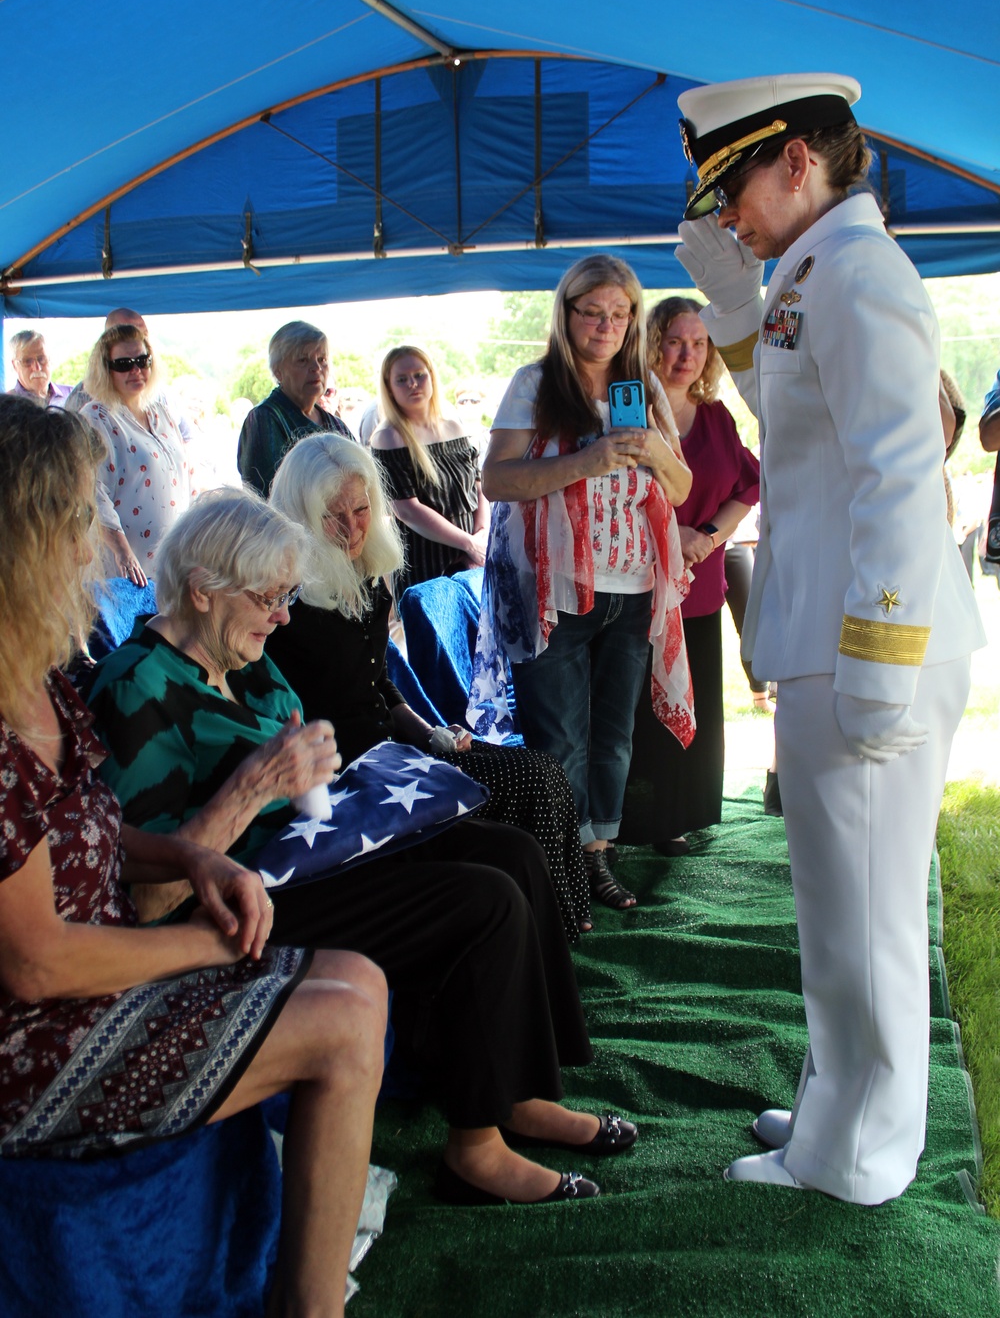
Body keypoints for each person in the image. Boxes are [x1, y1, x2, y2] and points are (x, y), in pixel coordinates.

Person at [86, 487, 635, 1206]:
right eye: (270, 599)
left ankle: (524, 1091)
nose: (283, 616)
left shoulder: (244, 658)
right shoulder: (138, 688)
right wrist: (253, 789)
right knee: (483, 899)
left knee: (511, 854)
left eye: (287, 596)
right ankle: (476, 1148)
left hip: (313, 855)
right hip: (244, 906)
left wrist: (312, 765)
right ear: (202, 589)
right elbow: (148, 893)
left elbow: (297, 755)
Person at [0, 394, 387, 1318]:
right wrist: (210, 942)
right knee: (339, 1025)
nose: (102, 538)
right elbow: (34, 958)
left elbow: (84, 828)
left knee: (362, 983)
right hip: (29, 1043)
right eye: (83, 515)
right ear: (29, 535)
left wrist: (189, 857)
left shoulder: (44, 673)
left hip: (95, 978)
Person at [675, 72, 984, 1203]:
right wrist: (733, 297)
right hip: (833, 632)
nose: (727, 219)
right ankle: (838, 1097)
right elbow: (793, 412)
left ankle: (856, 1153)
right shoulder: (819, 270)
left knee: (866, 916)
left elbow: (902, 479)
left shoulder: (859, 276)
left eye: (734, 189)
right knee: (841, 907)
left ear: (794, 162)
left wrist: (878, 661)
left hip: (867, 641)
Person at [267, 432, 592, 936]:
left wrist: (433, 734)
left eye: (361, 509)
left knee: (543, 769)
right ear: (301, 514)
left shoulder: (368, 574)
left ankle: (566, 922)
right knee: (528, 784)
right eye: (334, 515)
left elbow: (379, 685)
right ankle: (547, 932)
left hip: (392, 748)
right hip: (348, 772)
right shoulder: (284, 601)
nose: (352, 528)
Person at [476, 254, 694, 914]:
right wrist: (585, 460)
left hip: (632, 588)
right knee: (559, 737)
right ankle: (560, 868)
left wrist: (651, 448)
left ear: (633, 320)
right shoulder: (535, 383)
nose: (606, 325)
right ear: (566, 314)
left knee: (613, 735)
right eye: (592, 312)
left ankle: (596, 856)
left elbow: (680, 488)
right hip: (555, 590)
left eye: (620, 313)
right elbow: (497, 479)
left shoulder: (645, 388)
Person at [619, 297, 759, 855]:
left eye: (700, 343)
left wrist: (707, 536)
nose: (688, 355)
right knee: (641, 712)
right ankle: (633, 822)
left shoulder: (718, 417)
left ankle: (683, 816)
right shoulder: (630, 414)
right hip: (638, 590)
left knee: (694, 709)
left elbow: (748, 485)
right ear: (653, 343)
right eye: (676, 341)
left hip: (697, 591)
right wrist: (678, 537)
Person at [370, 345, 489, 600]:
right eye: (402, 379)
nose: (413, 384)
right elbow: (407, 510)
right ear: (389, 388)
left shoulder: (454, 426)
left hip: (473, 560)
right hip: (427, 567)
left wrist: (481, 537)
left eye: (419, 375)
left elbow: (479, 487)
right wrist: (468, 543)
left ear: (432, 377)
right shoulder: (387, 437)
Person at [79, 323, 194, 586]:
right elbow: (93, 491)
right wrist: (122, 552)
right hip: (124, 572)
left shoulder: (161, 411)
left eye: (142, 360)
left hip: (171, 563)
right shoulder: (95, 417)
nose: (135, 370)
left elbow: (185, 475)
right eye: (123, 364)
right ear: (106, 369)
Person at [237, 321, 353, 497]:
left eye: (322, 359)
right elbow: (265, 497)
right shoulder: (265, 419)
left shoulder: (334, 423)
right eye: (303, 360)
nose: (316, 368)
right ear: (278, 372)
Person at [8, 330, 72, 408]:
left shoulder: (72, 396)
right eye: (28, 361)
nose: (37, 368)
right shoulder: (6, 406)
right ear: (15, 365)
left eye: (41, 359)